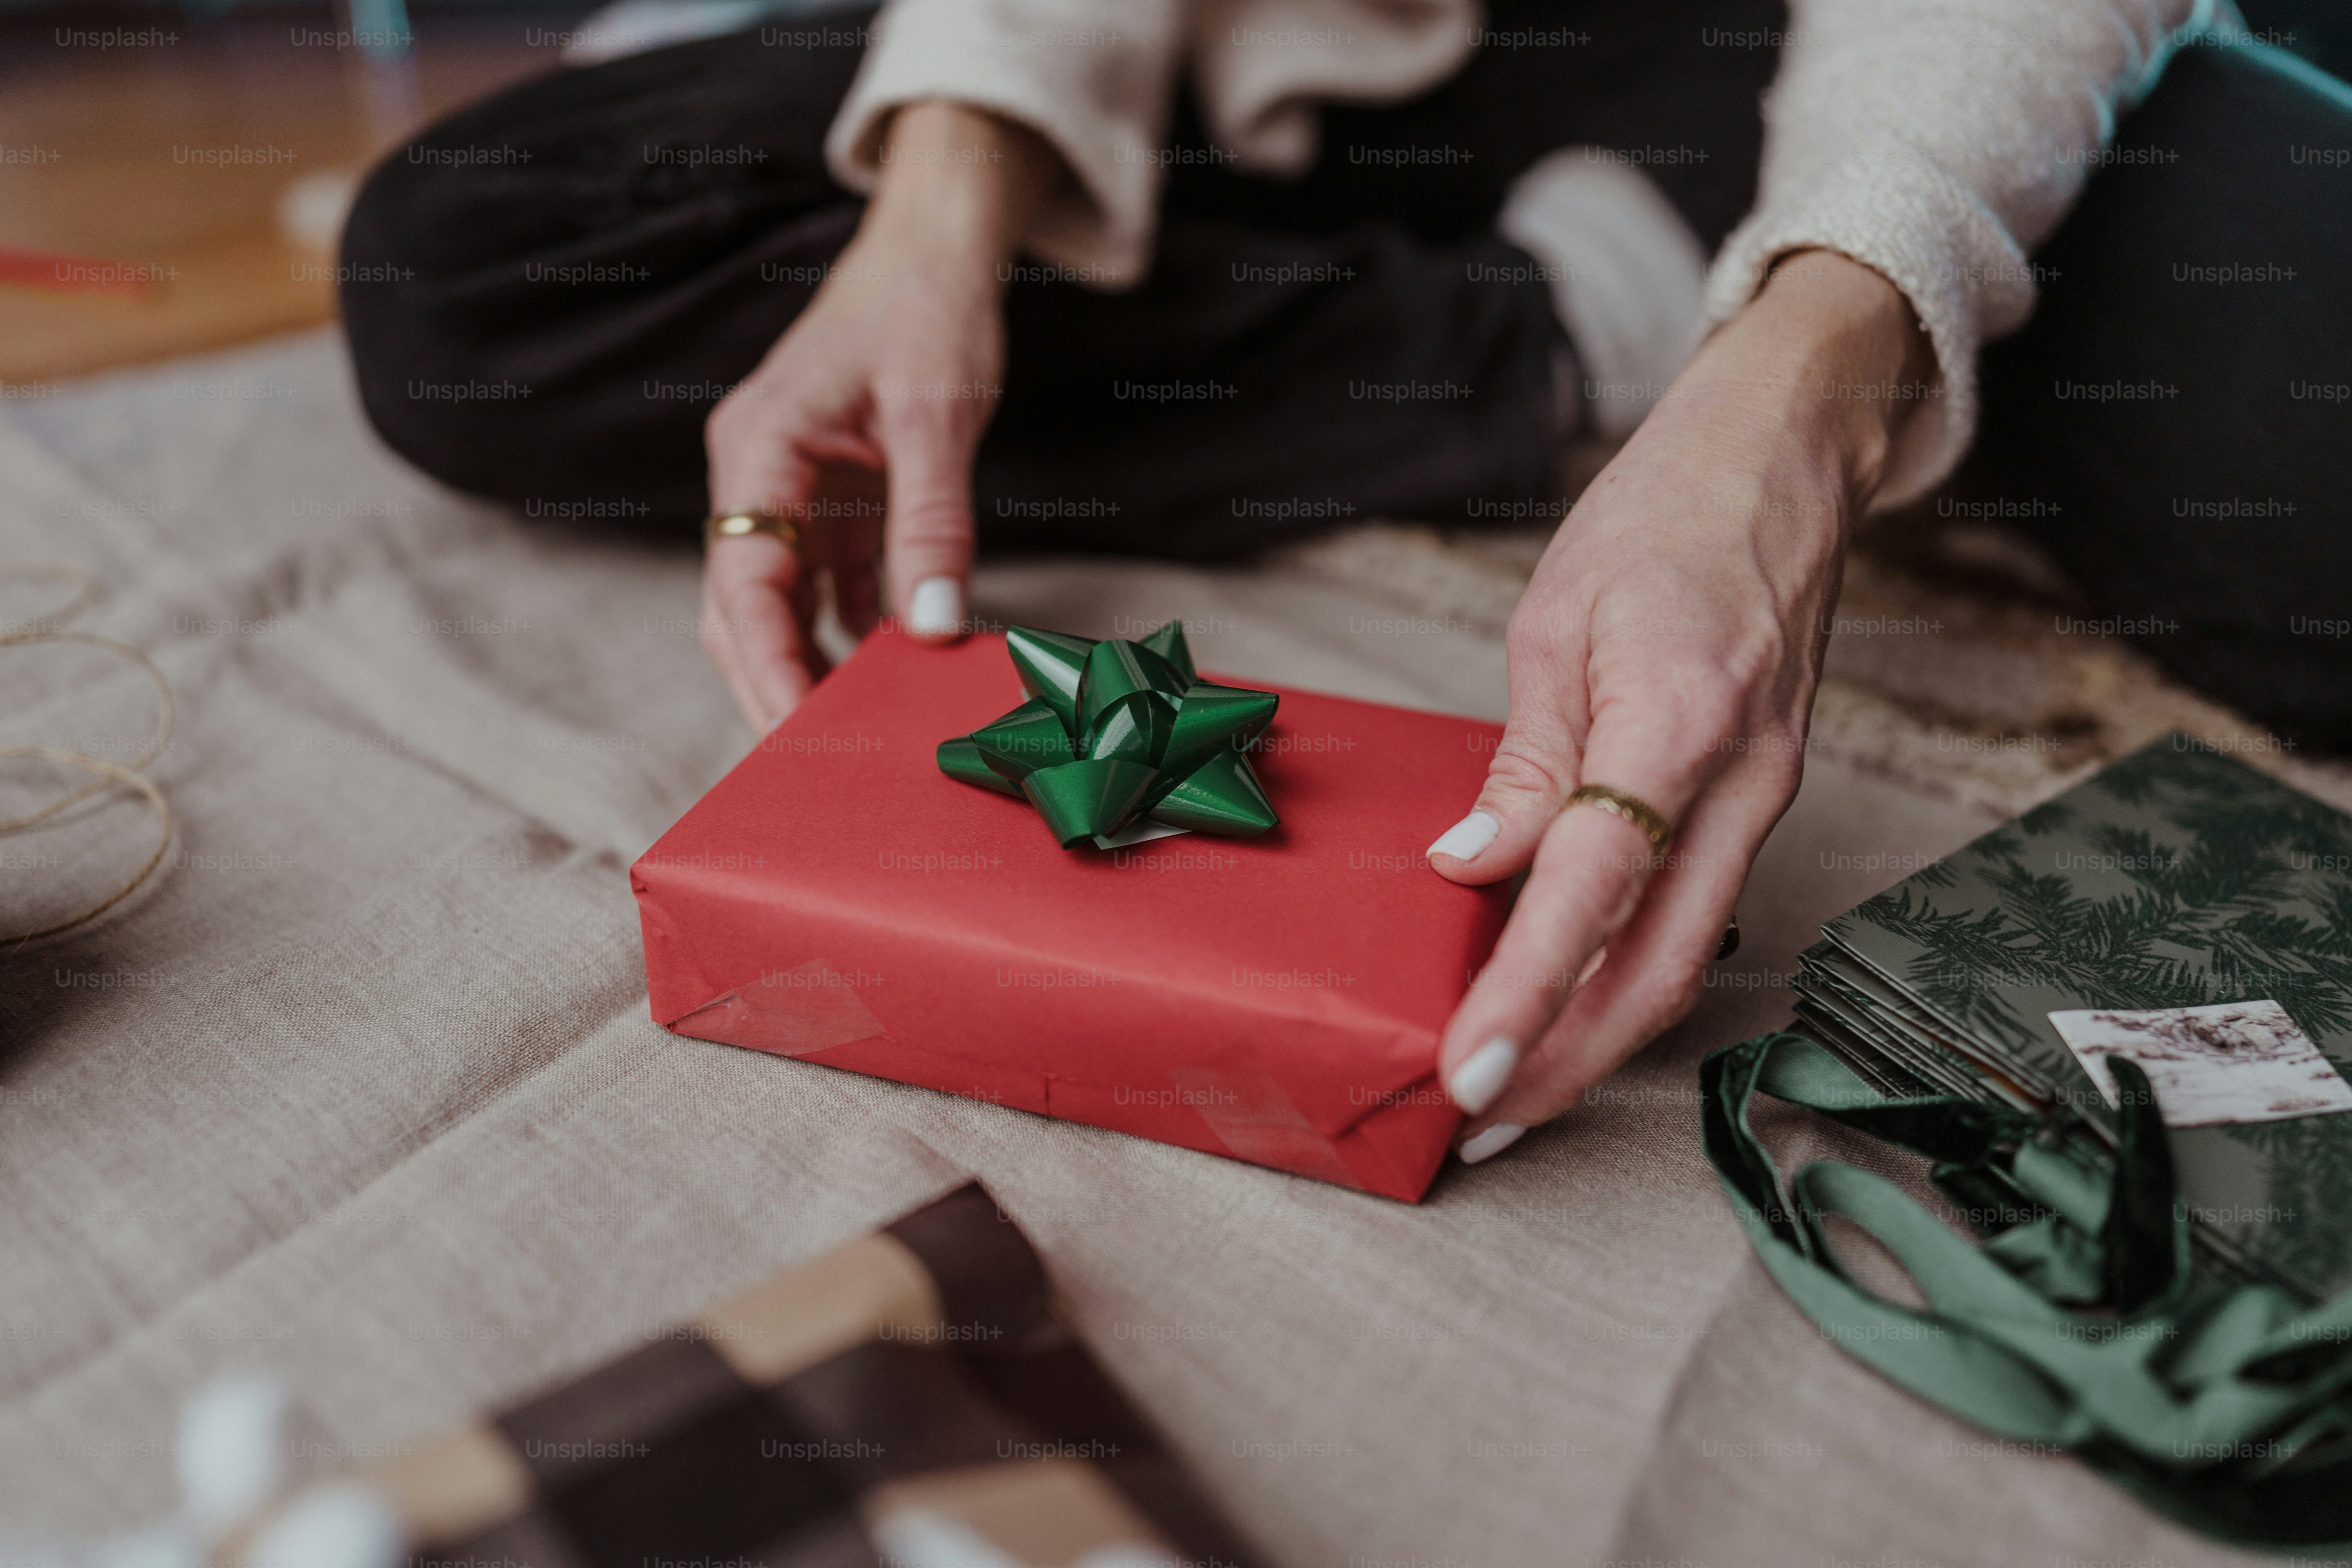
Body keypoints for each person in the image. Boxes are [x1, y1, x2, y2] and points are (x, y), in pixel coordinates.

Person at [340, 0, 2345, 1166]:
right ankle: (1552, 342)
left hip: (1809, 66)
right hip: (1260, 67)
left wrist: (1814, 371)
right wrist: (952, 178)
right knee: (467, 267)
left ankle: (1634, 326)